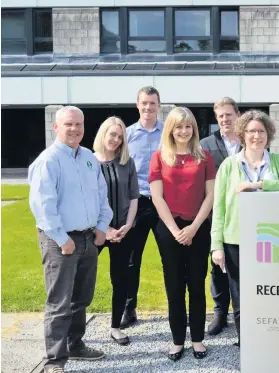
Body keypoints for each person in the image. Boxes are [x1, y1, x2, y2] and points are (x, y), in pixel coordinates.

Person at [28, 106, 113, 373]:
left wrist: (102, 227)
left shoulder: (88, 157)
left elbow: (101, 195)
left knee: (81, 298)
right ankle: (55, 359)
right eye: (68, 124)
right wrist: (62, 239)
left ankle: (75, 344)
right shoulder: (48, 161)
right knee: (59, 302)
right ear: (56, 127)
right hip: (60, 241)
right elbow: (43, 206)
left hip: (88, 239)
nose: (74, 129)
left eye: (79, 124)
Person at [210, 110, 279, 347]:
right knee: (240, 295)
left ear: (268, 134)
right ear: (242, 134)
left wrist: (259, 185)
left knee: (270, 292)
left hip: (272, 240)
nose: (256, 136)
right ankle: (247, 344)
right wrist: (216, 246)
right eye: (251, 131)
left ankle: (270, 340)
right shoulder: (229, 165)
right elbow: (218, 209)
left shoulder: (278, 162)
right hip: (235, 240)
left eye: (261, 131)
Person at [150, 107, 216, 361]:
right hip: (169, 231)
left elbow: (210, 195)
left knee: (196, 286)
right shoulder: (159, 157)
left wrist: (194, 227)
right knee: (175, 287)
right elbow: (157, 197)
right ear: (171, 129)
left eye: (188, 126)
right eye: (179, 126)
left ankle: (197, 340)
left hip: (198, 228)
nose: (184, 131)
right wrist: (176, 230)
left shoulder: (204, 156)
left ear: (194, 130)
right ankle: (178, 340)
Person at [93, 116, 139, 346]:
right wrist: (105, 228)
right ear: (103, 133)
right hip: (96, 232)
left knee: (120, 280)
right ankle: (73, 332)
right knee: (82, 280)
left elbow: (133, 196)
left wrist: (128, 225)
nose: (115, 139)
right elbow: (86, 201)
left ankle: (115, 327)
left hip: (123, 231)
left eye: (120, 136)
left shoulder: (127, 162)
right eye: (112, 134)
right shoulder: (88, 162)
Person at [122, 86, 163, 329]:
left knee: (172, 259)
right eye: (144, 103)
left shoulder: (168, 133)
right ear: (138, 105)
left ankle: (178, 308)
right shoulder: (126, 135)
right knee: (131, 260)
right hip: (135, 205)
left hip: (162, 205)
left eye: (152, 103)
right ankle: (129, 309)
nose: (148, 107)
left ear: (159, 105)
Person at [199, 97, 241, 336]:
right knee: (217, 264)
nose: (225, 120)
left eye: (229, 114)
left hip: (243, 216)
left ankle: (242, 313)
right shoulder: (205, 144)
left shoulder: (250, 141)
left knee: (241, 266)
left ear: (237, 115)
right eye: (221, 116)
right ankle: (220, 313)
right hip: (214, 214)